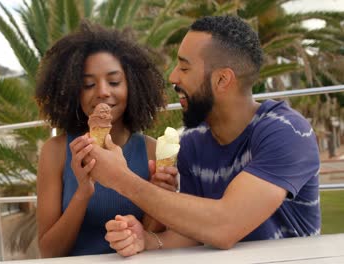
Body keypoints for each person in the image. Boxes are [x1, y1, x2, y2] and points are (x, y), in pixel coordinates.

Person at [83, 15, 321, 256]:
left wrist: (120, 178)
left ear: (222, 79)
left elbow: (225, 226)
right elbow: (197, 232)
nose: (173, 77)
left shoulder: (286, 131)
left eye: (184, 67)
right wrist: (147, 239)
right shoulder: (193, 142)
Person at [34, 22, 178, 257]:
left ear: (133, 86)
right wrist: (83, 191)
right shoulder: (56, 151)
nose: (102, 91)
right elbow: (49, 252)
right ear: (73, 90)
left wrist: (160, 196)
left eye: (113, 82)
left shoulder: (152, 150)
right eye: (88, 84)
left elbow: (149, 239)